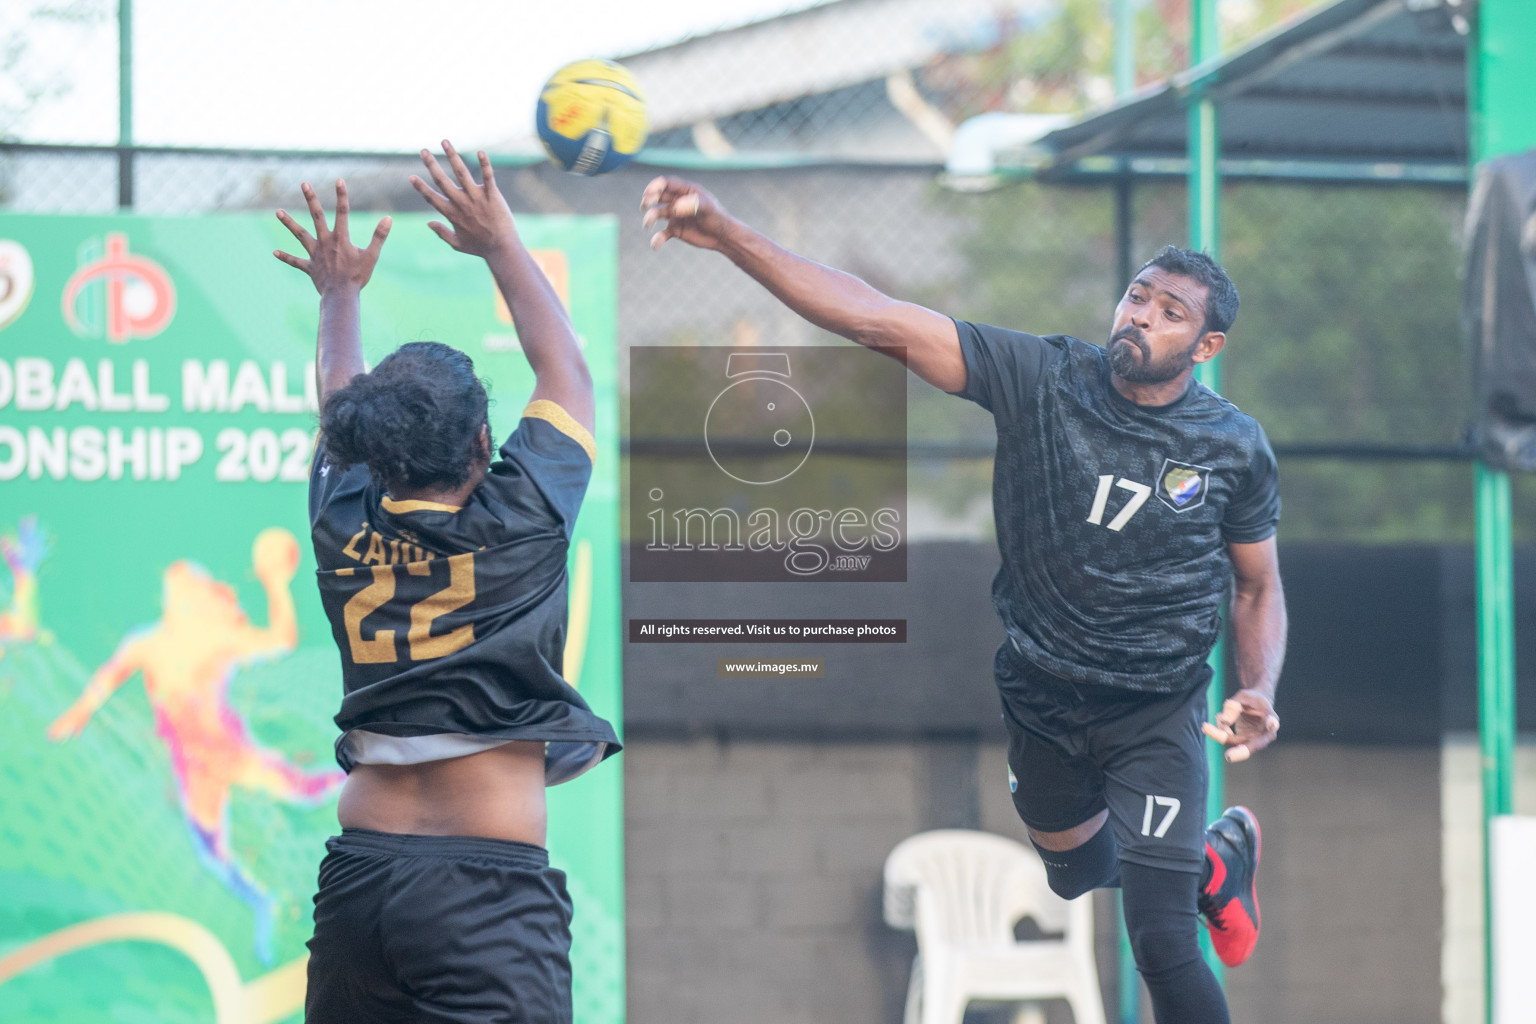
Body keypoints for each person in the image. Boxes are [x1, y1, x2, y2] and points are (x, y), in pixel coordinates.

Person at [640, 177, 1285, 1023]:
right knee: (1076, 873)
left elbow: (1256, 582)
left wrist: (1258, 690)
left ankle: (1187, 877)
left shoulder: (1233, 446)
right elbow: (875, 317)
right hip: (1041, 692)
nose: (1140, 315)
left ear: (1206, 347)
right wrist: (726, 235)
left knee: (1161, 940)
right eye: (1137, 296)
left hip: (1157, 705)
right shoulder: (1042, 377)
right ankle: (1213, 864)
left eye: (1169, 312)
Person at [273, 142, 619, 1024]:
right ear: (481, 448)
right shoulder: (524, 518)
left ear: (369, 452)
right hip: (483, 897)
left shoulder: (342, 515)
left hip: (359, 884)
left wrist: (339, 294)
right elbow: (568, 371)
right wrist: (501, 239)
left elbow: (337, 402)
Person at [48, 527, 341, 964]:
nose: (181, 588)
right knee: (210, 851)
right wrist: (77, 713)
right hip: (192, 762)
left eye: (190, 582)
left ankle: (358, 782)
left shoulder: (216, 639)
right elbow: (108, 676)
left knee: (302, 790)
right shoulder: (146, 643)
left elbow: (281, 641)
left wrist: (276, 585)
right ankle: (264, 904)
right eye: (175, 583)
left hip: (229, 749)